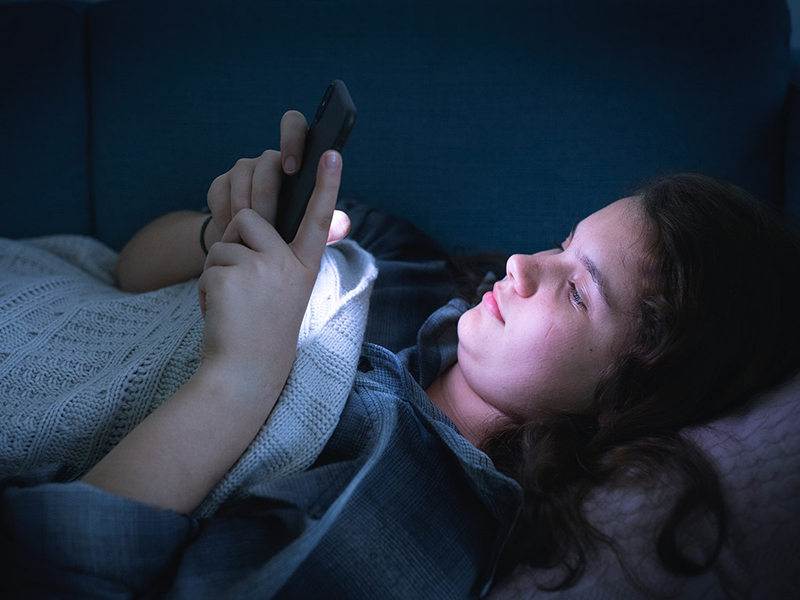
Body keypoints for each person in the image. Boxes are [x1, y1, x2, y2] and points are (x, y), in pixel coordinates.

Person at [1, 109, 799, 599]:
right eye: (562, 243)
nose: (522, 265)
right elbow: (128, 269)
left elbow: (54, 570)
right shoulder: (403, 261)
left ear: (629, 397)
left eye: (579, 292)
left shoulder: (416, 531)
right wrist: (225, 232)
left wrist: (240, 377)